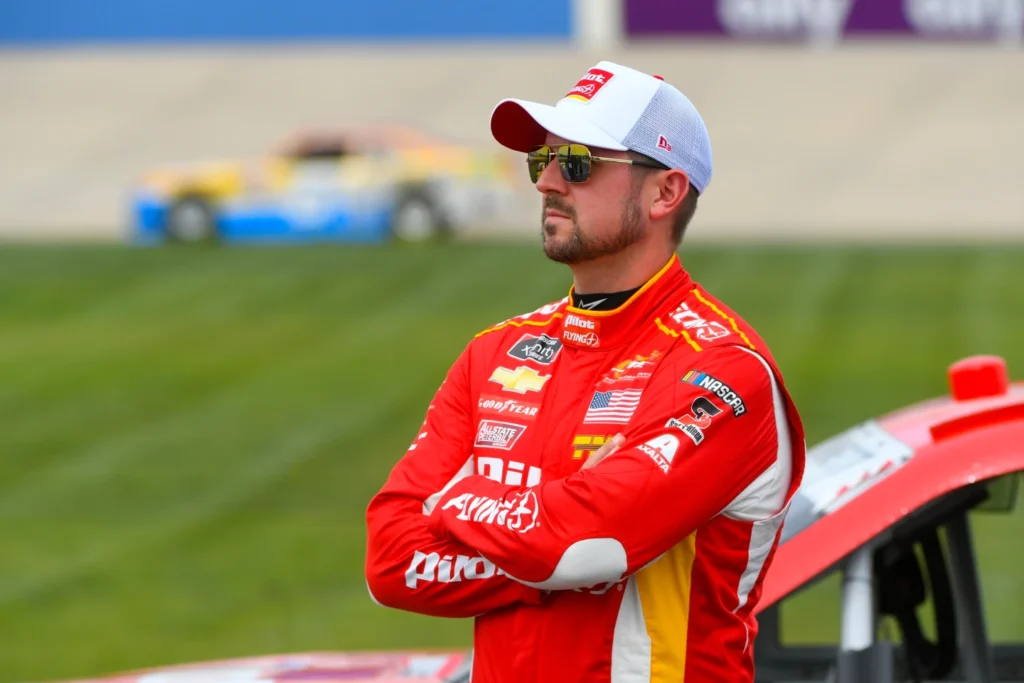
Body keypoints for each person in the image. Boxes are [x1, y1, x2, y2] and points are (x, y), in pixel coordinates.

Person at [365, 61, 806, 683]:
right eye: (541, 159)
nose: (546, 180)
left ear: (665, 193)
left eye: (577, 162)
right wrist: (540, 537)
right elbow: (390, 562)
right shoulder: (495, 352)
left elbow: (584, 547)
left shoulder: (725, 373)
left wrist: (452, 504)